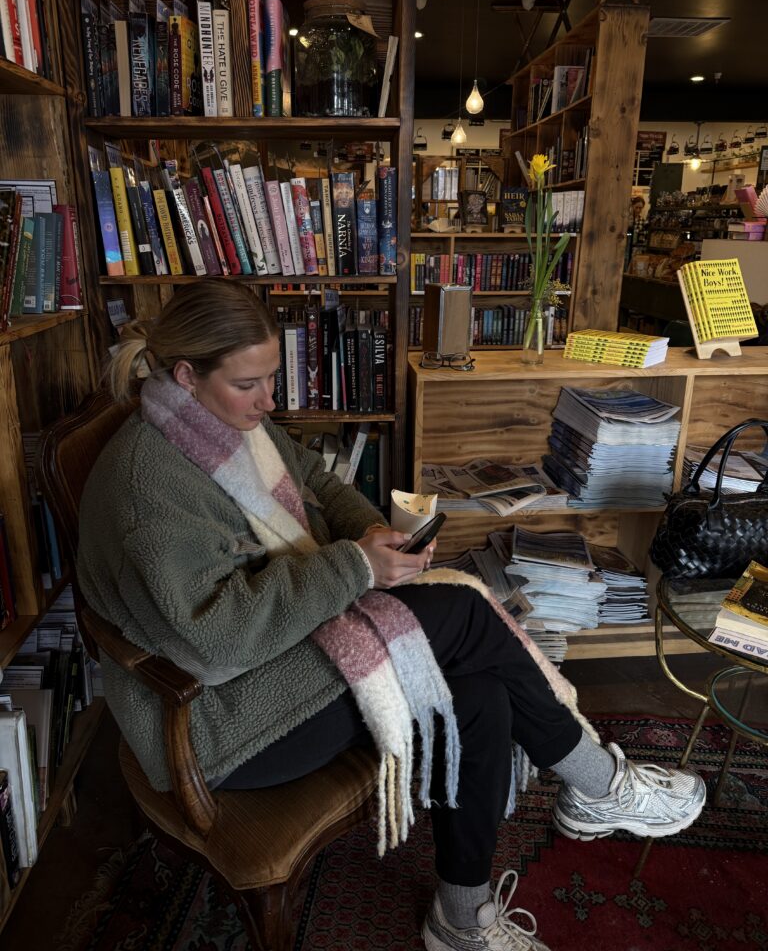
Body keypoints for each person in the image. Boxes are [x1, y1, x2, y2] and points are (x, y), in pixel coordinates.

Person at [77, 280, 706, 951]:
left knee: (482, 691)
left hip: (278, 652)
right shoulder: (148, 487)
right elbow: (216, 643)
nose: (268, 402)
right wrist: (356, 567)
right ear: (186, 376)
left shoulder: (218, 425)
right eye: (248, 385)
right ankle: (598, 785)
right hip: (217, 720)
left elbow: (317, 484)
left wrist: (377, 533)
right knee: (462, 608)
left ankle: (460, 919)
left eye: (271, 380)